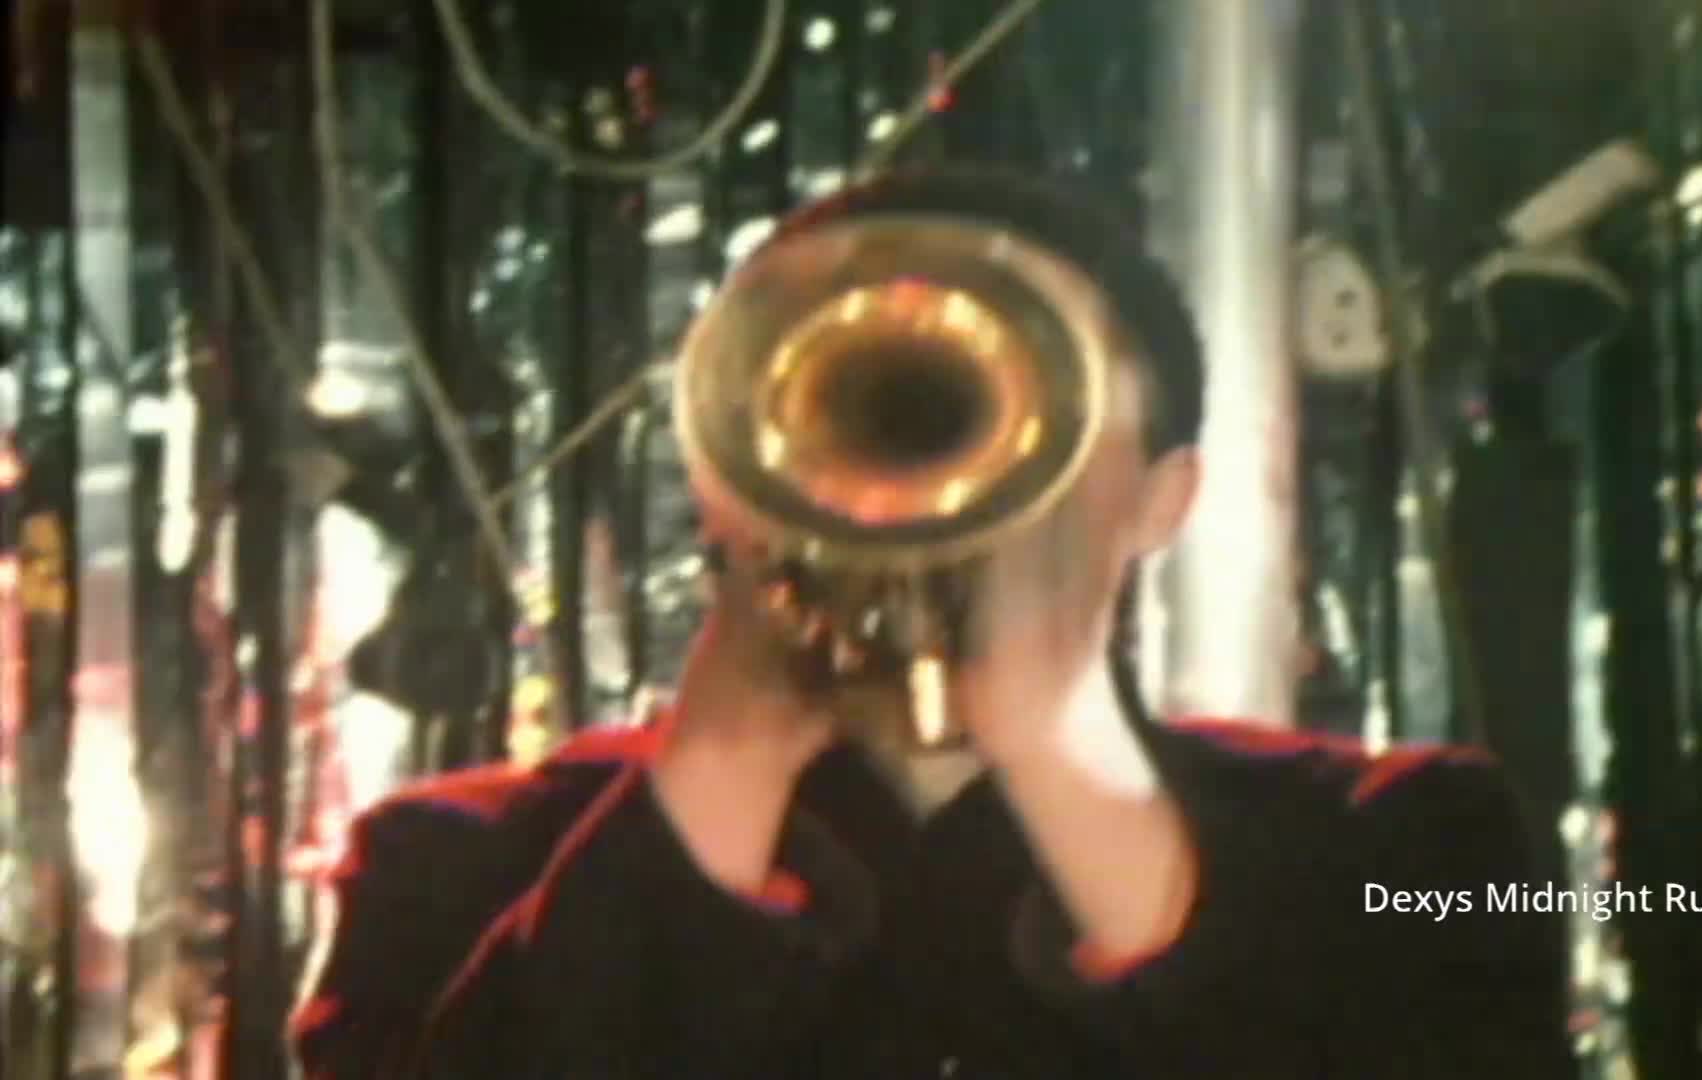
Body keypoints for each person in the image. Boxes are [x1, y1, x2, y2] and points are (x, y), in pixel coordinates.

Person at [292, 170, 1574, 1078]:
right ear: (723, 473)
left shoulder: (1420, 840)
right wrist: (727, 756)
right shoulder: (454, 863)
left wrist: (1059, 748)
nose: (938, 503)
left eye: (1043, 433)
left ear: (1163, 500)